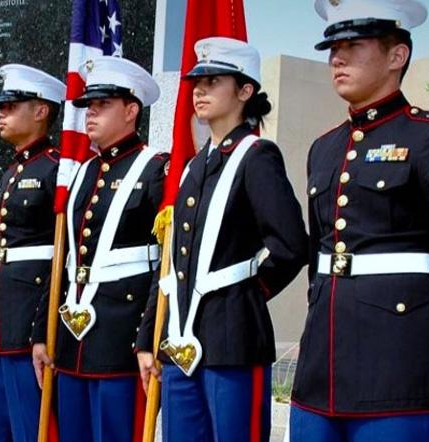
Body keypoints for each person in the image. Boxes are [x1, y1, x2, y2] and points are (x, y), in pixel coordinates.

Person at [289, 1, 429, 440]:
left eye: (354, 45)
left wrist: (423, 320)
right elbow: (322, 256)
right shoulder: (325, 147)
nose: (337, 58)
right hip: (319, 374)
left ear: (397, 56)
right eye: (333, 47)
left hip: (400, 373)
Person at [135, 37, 309, 441]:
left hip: (233, 343)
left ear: (245, 91)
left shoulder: (257, 155)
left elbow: (290, 245)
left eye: (213, 81)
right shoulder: (195, 166)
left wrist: (242, 297)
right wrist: (149, 338)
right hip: (180, 345)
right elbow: (172, 265)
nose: (199, 90)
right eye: (198, 81)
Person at [31, 55, 167, 442]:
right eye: (89, 105)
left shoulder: (156, 170)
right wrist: (42, 332)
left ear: (131, 110)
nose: (90, 112)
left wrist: (147, 341)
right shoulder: (84, 171)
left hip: (121, 344)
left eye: (102, 104)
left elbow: (167, 266)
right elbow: (66, 259)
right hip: (73, 344)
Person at [0, 63, 66, 442]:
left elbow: (61, 256)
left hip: (29, 317)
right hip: (2, 316)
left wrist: (39, 328)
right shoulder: (14, 170)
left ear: (41, 110)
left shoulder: (55, 169)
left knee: (30, 426)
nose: (2, 114)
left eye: (11, 106)